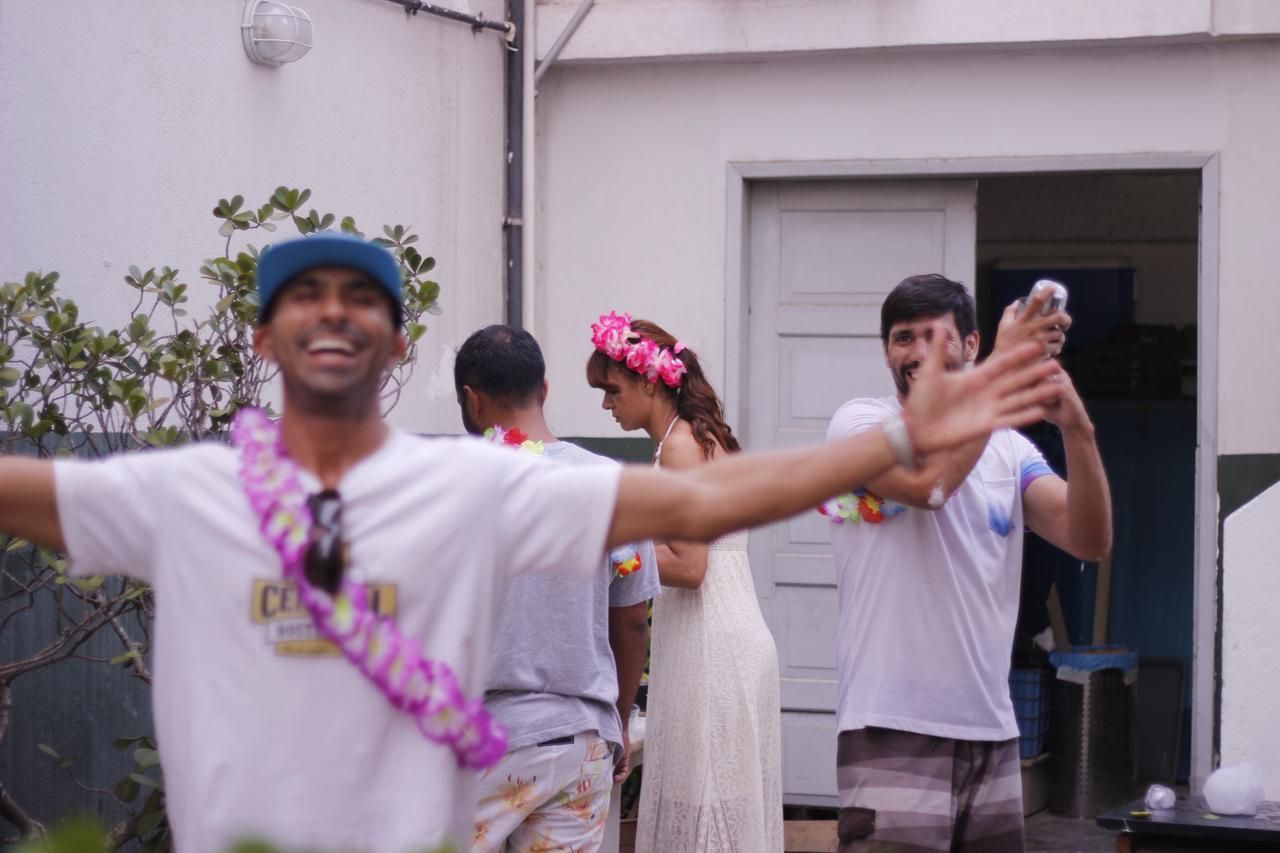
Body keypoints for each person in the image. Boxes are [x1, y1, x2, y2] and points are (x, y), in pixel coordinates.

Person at [0, 233, 1062, 852]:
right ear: (262, 334)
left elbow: (699, 509)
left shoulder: (473, 481)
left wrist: (908, 431)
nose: (330, 314)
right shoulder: (191, 489)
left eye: (358, 298)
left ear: (399, 343)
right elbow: (29, 493)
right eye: (301, 297)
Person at [823, 274, 1113, 853]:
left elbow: (1089, 540)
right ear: (886, 351)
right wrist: (1005, 370)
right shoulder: (860, 425)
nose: (918, 353)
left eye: (936, 336)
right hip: (891, 725)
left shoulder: (1008, 449)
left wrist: (1079, 430)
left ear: (971, 345)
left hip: (991, 733)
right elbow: (931, 485)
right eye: (903, 338)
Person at [454, 324, 660, 852]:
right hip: (581, 741)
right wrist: (616, 721)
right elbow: (633, 619)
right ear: (544, 389)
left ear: (472, 400)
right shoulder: (612, 484)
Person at [586, 314, 783, 851]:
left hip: (712, 645)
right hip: (728, 635)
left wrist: (612, 541)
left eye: (612, 390)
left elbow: (691, 568)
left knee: (703, 808)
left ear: (649, 381)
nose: (607, 405)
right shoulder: (700, 437)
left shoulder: (679, 447)